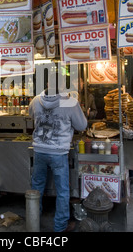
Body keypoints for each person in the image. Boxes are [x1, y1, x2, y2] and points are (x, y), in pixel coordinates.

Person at [29, 75, 87, 232]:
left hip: (39, 150)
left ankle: (33, 221)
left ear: (47, 83)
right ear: (63, 85)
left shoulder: (35, 100)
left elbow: (31, 116)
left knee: (37, 187)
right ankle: (60, 227)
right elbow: (82, 125)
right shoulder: (70, 102)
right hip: (59, 153)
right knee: (62, 191)